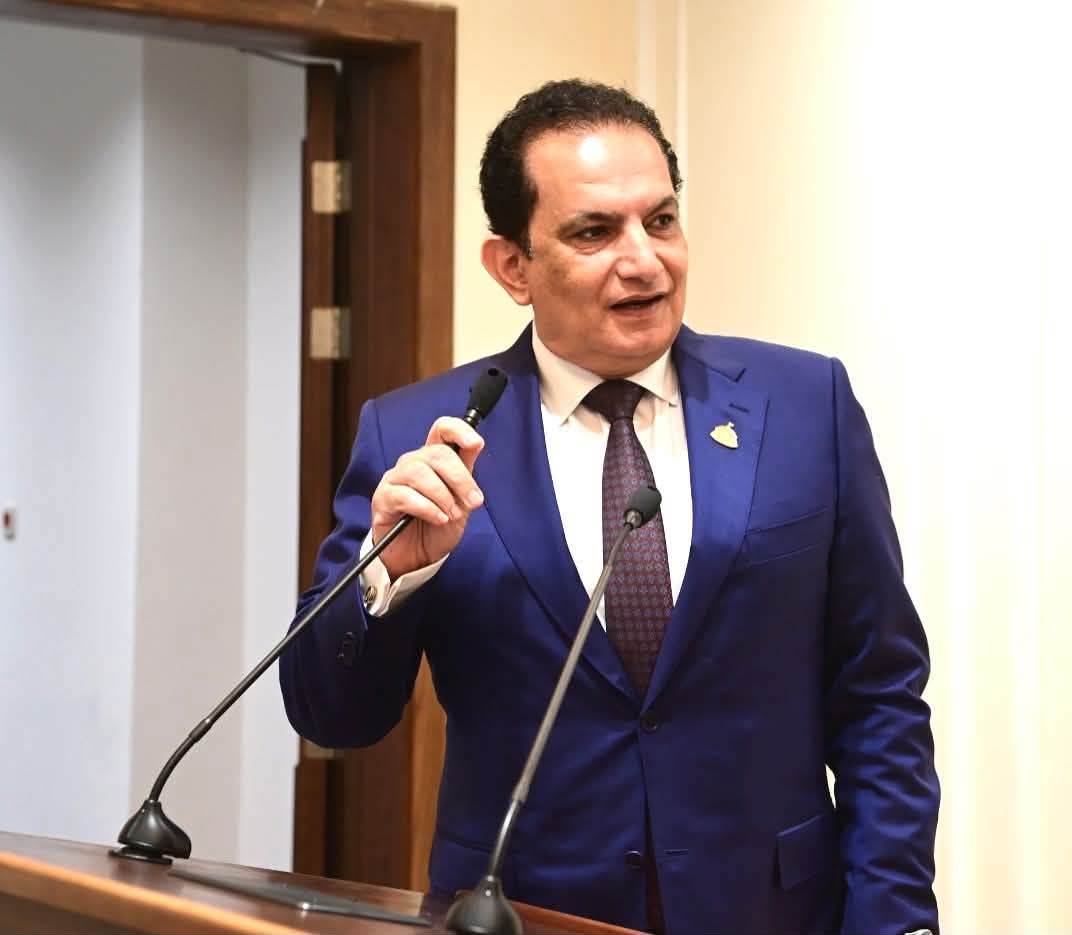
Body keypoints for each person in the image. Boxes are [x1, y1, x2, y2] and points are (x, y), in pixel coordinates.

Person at [280, 79, 939, 935]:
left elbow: (880, 695)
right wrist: (390, 580)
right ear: (512, 267)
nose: (644, 260)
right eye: (594, 232)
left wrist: (896, 920)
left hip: (772, 910)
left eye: (660, 220)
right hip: (524, 914)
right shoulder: (420, 435)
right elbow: (333, 715)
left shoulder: (804, 406)